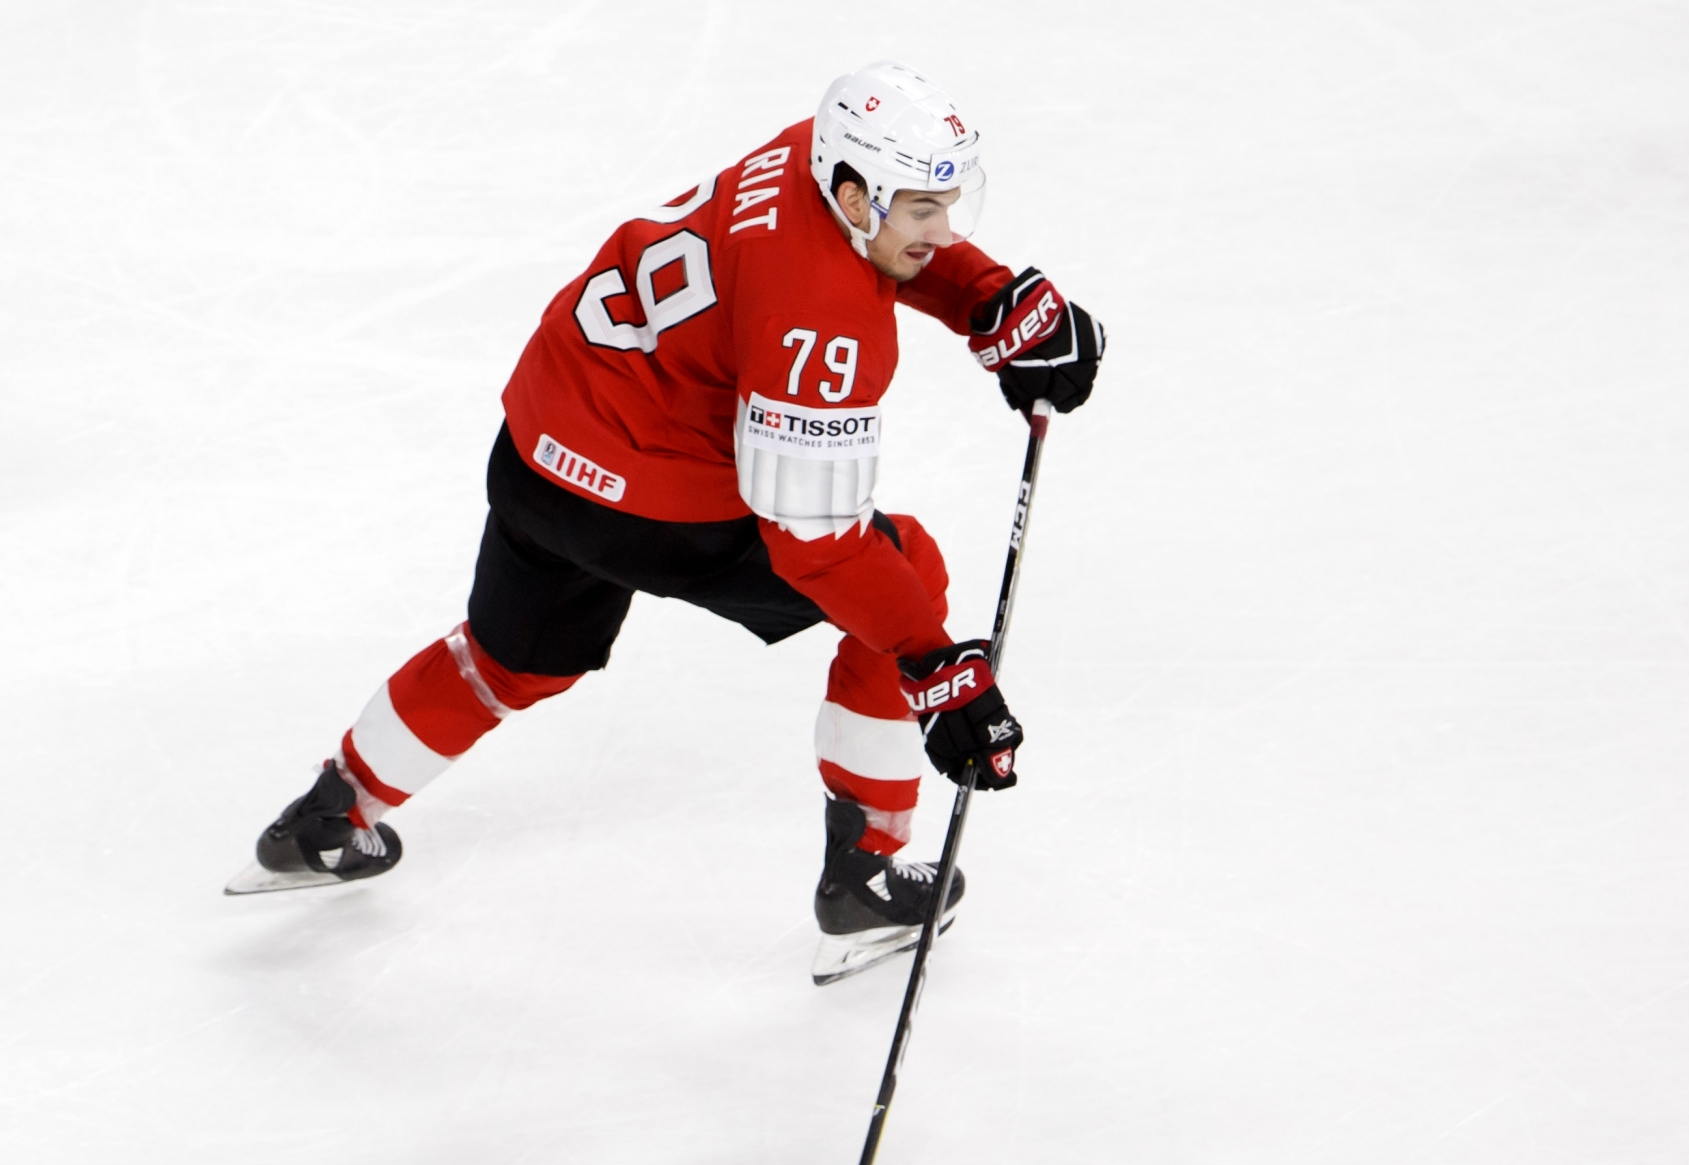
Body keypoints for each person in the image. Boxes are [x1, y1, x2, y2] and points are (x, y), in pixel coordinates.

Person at [225, 61, 1106, 984]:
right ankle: (864, 877)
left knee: (513, 659)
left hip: (540, 444)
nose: (943, 229)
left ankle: (329, 816)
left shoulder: (807, 151)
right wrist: (935, 666)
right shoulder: (823, 327)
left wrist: (988, 299)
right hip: (651, 505)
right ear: (854, 192)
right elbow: (815, 543)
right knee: (903, 574)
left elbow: (858, 253)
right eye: (924, 210)